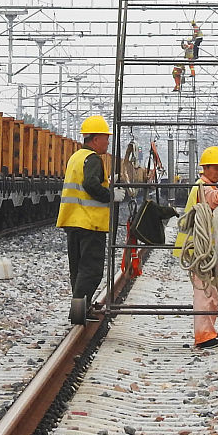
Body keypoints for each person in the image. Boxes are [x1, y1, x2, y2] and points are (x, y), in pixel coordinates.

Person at [56, 113, 121, 318]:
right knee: (92, 269)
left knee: (78, 268)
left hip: (72, 221)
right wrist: (111, 195)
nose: (108, 142)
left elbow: (85, 183)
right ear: (95, 139)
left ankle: (80, 307)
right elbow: (90, 184)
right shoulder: (93, 159)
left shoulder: (76, 157)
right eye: (106, 138)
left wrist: (107, 181)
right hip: (90, 223)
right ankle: (78, 311)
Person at [175, 144, 218, 349]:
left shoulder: (206, 185)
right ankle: (203, 336)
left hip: (202, 248)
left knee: (210, 292)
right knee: (204, 292)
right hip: (197, 248)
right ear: (205, 168)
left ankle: (208, 332)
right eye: (215, 168)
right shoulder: (204, 187)